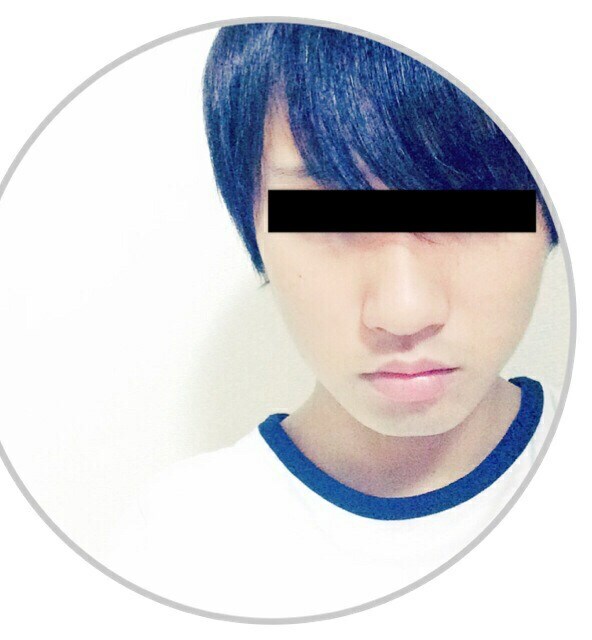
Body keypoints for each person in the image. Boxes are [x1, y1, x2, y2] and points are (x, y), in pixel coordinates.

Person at [104, 23, 563, 619]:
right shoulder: (175, 546)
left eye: (469, 203)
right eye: (328, 213)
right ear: (252, 225)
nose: (404, 310)